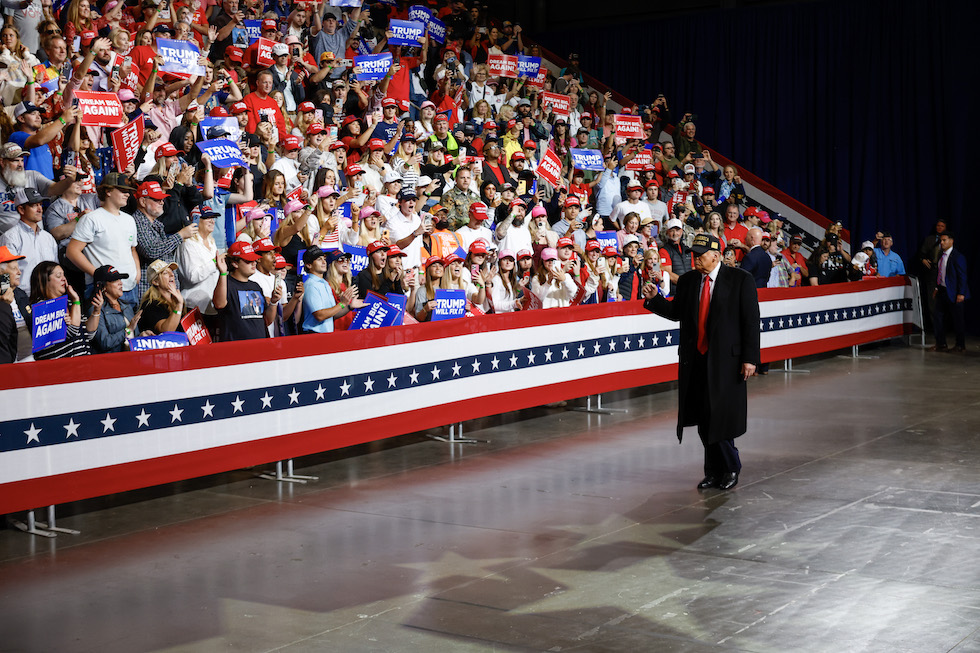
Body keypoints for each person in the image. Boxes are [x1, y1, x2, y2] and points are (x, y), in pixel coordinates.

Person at [641, 233, 760, 491]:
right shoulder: (688, 281)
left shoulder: (741, 280)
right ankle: (713, 471)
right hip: (696, 360)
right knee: (703, 417)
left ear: (716, 256)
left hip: (727, 362)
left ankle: (730, 467)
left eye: (701, 254)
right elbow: (676, 313)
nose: (695, 258)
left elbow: (751, 322)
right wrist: (654, 299)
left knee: (721, 417)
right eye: (693, 253)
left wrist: (750, 358)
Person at [66, 172, 141, 305]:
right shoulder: (91, 218)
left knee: (132, 326)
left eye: (128, 191)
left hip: (130, 288)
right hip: (103, 290)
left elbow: (132, 249)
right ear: (108, 191)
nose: (128, 194)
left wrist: (137, 273)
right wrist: (98, 274)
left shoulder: (130, 219)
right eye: (123, 190)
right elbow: (72, 252)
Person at [29, 260, 101, 359]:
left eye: (64, 275)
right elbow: (72, 331)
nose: (64, 279)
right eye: (59, 276)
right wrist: (76, 300)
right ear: (44, 280)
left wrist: (96, 312)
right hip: (60, 370)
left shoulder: (70, 303)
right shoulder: (41, 307)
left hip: (83, 366)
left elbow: (88, 334)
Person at [213, 241, 278, 341]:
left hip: (259, 347)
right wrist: (223, 273)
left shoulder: (256, 286)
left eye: (254, 260)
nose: (254, 263)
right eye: (248, 260)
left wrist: (274, 302)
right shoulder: (226, 284)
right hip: (235, 350)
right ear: (235, 263)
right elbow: (219, 304)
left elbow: (267, 320)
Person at [0, 188, 57, 297]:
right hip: (23, 300)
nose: (40, 209)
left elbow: (55, 270)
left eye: (40, 204)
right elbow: (4, 274)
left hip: (49, 298)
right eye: (34, 205)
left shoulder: (48, 238)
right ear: (21, 209)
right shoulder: (10, 237)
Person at [301, 246, 364, 334]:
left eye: (324, 259)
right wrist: (342, 304)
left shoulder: (324, 284)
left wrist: (348, 306)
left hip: (327, 335)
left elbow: (332, 315)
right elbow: (320, 315)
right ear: (309, 265)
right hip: (314, 335)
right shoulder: (311, 285)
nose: (324, 262)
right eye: (319, 259)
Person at [89, 265, 142, 354]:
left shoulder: (127, 306)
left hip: (133, 358)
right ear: (103, 286)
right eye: (115, 280)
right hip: (111, 362)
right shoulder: (96, 310)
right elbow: (105, 342)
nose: (120, 283)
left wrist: (143, 336)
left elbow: (134, 335)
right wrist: (128, 330)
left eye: (120, 279)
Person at [931, 232, 969, 353]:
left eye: (944, 240)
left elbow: (962, 276)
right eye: (941, 241)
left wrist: (961, 293)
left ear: (951, 241)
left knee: (957, 319)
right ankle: (941, 343)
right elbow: (941, 274)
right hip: (942, 290)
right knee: (937, 317)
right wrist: (937, 288)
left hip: (954, 292)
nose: (941, 243)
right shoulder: (941, 256)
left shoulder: (958, 256)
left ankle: (960, 345)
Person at [137, 260, 185, 335]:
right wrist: (179, 306)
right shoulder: (151, 305)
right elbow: (167, 332)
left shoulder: (176, 300)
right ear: (156, 282)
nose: (172, 274)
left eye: (171, 271)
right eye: (165, 273)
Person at [0, 245, 29, 363]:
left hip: (31, 357)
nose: (19, 272)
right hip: (8, 362)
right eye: (14, 268)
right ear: (2, 274)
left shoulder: (21, 294)